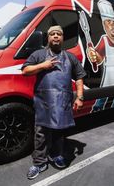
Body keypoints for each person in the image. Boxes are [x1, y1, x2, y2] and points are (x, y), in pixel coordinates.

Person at [22, 25, 86, 180]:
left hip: (62, 101)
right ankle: (39, 163)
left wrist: (80, 97)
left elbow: (79, 77)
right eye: (52, 34)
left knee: (59, 131)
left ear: (62, 38)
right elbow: (25, 71)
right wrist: (42, 65)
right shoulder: (39, 54)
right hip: (43, 102)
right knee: (41, 133)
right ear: (48, 38)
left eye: (59, 34)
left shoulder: (70, 57)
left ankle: (57, 154)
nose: (56, 36)